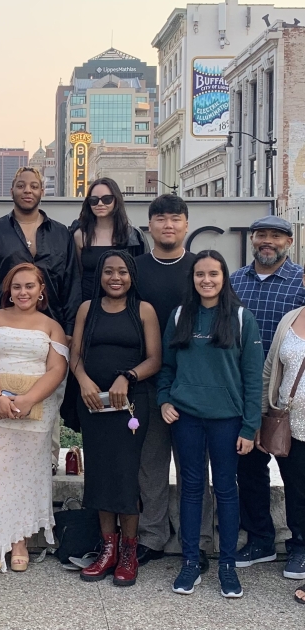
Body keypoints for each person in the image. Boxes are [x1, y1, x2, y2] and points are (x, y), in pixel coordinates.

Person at [159, 250, 263, 598]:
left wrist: (250, 427)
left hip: (227, 421)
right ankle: (190, 563)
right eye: (200, 274)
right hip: (187, 418)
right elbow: (167, 367)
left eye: (213, 274)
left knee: (226, 489)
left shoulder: (240, 318)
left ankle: (228, 567)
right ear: (192, 279)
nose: (206, 280)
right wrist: (165, 400)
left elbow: (253, 378)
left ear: (224, 278)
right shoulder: (179, 316)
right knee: (191, 489)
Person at [0, 166, 80, 474]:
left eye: (34, 185)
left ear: (42, 191)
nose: (27, 190)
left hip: (51, 326)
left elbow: (72, 283)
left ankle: (49, 460)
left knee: (49, 395)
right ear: (12, 191)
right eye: (21, 185)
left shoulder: (61, 233)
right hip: (4, 330)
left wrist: (70, 330)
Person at [0, 263, 68, 573]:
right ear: (8, 291)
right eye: (16, 286)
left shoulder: (52, 326)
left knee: (27, 474)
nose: (22, 292)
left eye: (29, 286)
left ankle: (19, 540)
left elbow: (56, 369)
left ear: (41, 291)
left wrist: (27, 400)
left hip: (36, 409)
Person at [71, 250, 161, 587]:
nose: (115, 277)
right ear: (100, 276)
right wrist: (83, 381)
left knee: (125, 476)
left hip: (131, 408)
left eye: (122, 271)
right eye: (109, 271)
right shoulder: (87, 309)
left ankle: (128, 551)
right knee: (99, 474)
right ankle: (107, 549)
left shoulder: (144, 310)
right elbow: (75, 355)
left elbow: (155, 359)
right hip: (93, 406)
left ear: (132, 276)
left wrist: (128, 376)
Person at [134, 196, 213, 569]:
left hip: (194, 386)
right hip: (147, 383)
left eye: (175, 219)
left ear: (186, 224)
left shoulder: (201, 269)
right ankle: (151, 536)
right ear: (149, 225)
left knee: (193, 466)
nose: (168, 225)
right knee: (150, 464)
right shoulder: (135, 269)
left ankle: (196, 540)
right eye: (161, 218)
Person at [230, 216, 305, 577]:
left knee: (296, 475)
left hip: (285, 397)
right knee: (249, 469)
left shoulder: (299, 282)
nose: (267, 241)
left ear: (288, 242)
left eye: (276, 236)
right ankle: (259, 538)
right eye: (261, 234)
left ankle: (299, 544)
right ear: (253, 238)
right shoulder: (233, 281)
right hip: (241, 392)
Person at [261, 297, 305, 603]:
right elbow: (269, 372)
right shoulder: (290, 319)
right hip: (293, 428)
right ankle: (299, 547)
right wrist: (264, 415)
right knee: (297, 491)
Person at [72, 177, 149, 302]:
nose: (100, 204)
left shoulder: (133, 235)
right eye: (94, 200)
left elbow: (141, 275)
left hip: (124, 305)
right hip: (88, 304)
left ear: (116, 200)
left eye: (107, 199)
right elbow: (76, 276)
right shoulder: (80, 235)